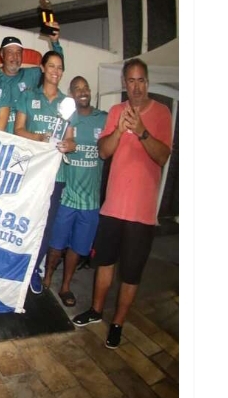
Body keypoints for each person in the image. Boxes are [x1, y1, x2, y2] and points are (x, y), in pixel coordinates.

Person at [71, 59, 172, 349]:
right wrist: (118, 130)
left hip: (142, 213)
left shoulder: (161, 113)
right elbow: (103, 152)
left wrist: (141, 131)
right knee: (104, 263)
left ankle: (117, 324)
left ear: (147, 82)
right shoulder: (116, 111)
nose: (136, 87)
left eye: (141, 80)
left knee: (131, 272)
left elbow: (162, 156)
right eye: (131, 81)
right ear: (124, 83)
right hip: (113, 207)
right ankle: (96, 311)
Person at [13, 50, 76, 295]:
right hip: (31, 171)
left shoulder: (67, 103)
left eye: (60, 67)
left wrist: (69, 145)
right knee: (24, 220)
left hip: (55, 175)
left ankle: (33, 270)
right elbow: (18, 130)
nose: (56, 71)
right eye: (51, 66)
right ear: (42, 68)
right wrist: (39, 138)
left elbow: (71, 140)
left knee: (46, 226)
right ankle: (16, 265)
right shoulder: (29, 96)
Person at [42, 76, 107, 307]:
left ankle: (66, 286)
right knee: (56, 244)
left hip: (91, 202)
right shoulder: (66, 119)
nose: (82, 91)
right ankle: (47, 277)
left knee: (77, 248)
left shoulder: (104, 119)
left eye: (85, 87)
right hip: (67, 196)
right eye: (77, 89)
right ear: (71, 94)